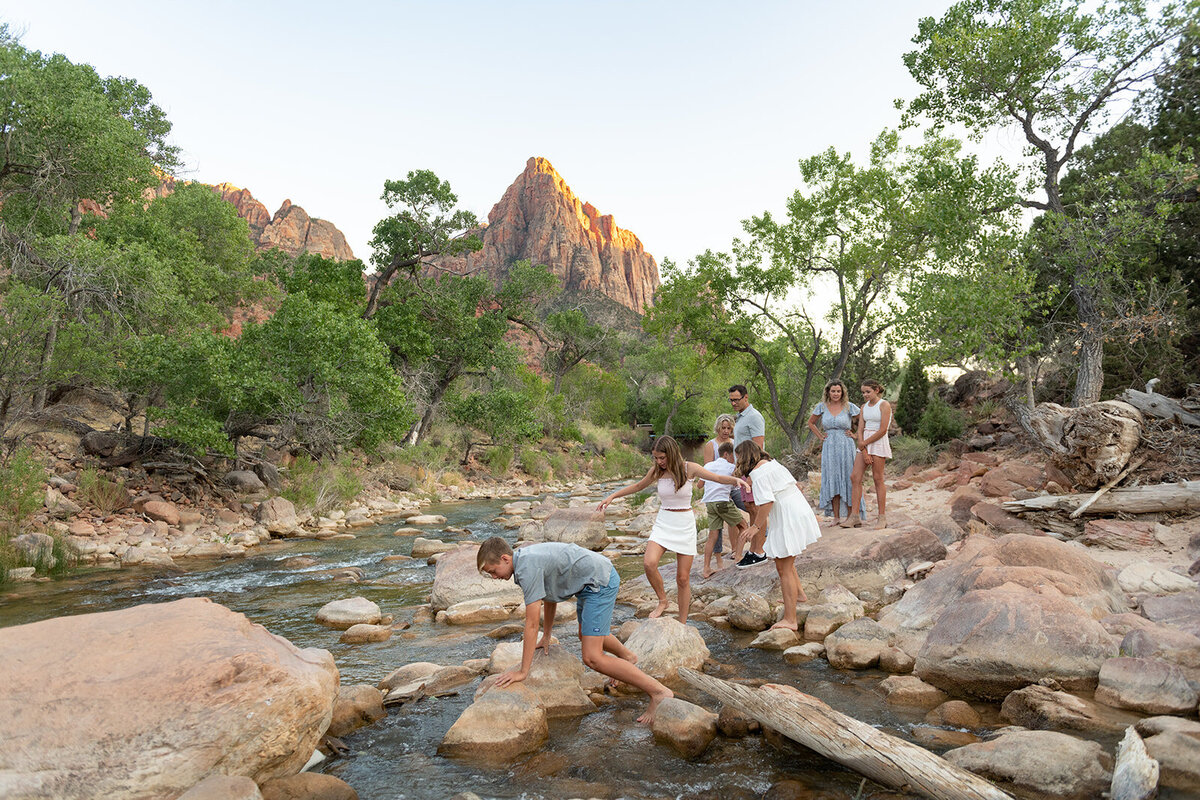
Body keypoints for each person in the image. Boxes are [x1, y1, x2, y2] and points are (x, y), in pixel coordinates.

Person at [477, 537, 674, 724]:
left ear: (505, 558)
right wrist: (546, 636)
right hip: (589, 583)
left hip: (598, 583)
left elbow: (531, 623)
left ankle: (658, 692)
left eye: (493, 571)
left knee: (592, 657)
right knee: (584, 635)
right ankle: (627, 657)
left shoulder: (526, 567)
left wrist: (523, 671)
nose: (495, 577)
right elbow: (548, 597)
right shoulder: (525, 559)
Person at [596, 435, 749, 622]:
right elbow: (638, 486)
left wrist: (736, 481)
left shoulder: (689, 468)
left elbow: (715, 477)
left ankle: (682, 622)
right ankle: (663, 600)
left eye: (662, 457)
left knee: (683, 579)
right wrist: (612, 496)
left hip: (684, 523)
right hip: (664, 520)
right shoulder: (657, 471)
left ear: (672, 453)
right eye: (656, 458)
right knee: (649, 563)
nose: (659, 462)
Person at [733, 440, 819, 631]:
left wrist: (755, 527)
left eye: (738, 458)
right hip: (797, 508)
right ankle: (799, 595)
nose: (737, 462)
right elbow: (794, 485)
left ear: (744, 457)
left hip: (787, 514)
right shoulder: (772, 463)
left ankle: (790, 619)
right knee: (785, 558)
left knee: (783, 567)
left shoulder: (758, 473)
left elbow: (766, 503)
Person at [807, 380, 866, 526]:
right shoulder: (822, 407)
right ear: (828, 392)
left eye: (838, 391)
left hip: (846, 446)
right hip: (829, 447)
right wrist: (820, 436)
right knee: (832, 478)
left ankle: (852, 515)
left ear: (842, 392)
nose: (835, 394)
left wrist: (856, 435)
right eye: (833, 391)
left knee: (848, 478)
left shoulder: (849, 406)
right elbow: (811, 422)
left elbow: (864, 419)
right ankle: (836, 517)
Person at [842, 379, 893, 530]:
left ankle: (882, 517)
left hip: (878, 441)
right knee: (855, 477)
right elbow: (860, 428)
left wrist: (865, 443)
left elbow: (883, 429)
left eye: (868, 391)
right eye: (863, 392)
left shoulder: (884, 405)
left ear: (876, 390)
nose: (865, 394)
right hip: (864, 442)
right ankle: (855, 517)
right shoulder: (864, 407)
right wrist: (863, 447)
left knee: (878, 478)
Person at [728, 384, 769, 568]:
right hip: (744, 469)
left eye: (737, 399)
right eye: (731, 400)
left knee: (756, 509)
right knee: (749, 507)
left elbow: (758, 448)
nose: (733, 403)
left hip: (752, 470)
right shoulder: (741, 417)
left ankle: (758, 551)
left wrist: (753, 473)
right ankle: (753, 550)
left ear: (746, 397)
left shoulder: (754, 417)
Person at [698, 441, 746, 578]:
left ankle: (706, 568)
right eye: (733, 456)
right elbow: (737, 486)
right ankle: (738, 557)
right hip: (722, 502)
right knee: (743, 525)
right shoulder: (731, 467)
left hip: (709, 504)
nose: (734, 459)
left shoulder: (707, 465)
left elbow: (699, 485)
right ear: (726, 454)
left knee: (713, 536)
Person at [699, 413, 742, 562]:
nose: (725, 431)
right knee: (717, 525)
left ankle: (739, 548)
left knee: (749, 508)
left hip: (734, 486)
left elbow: (739, 465)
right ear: (718, 428)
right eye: (723, 428)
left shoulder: (735, 443)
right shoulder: (711, 445)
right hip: (717, 488)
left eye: (728, 428)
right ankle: (720, 555)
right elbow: (707, 469)